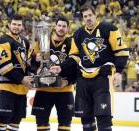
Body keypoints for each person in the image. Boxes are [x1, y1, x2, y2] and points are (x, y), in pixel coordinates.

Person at [50, 3, 129, 131]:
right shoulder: (78, 34)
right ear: (82, 18)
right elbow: (74, 56)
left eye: (90, 15)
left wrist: (119, 71)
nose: (88, 18)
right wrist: (61, 67)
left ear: (95, 14)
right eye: (85, 16)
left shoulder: (109, 29)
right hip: (83, 80)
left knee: (104, 118)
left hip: (102, 78)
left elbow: (121, 51)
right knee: (86, 119)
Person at [31, 16, 77, 131]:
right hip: (43, 90)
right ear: (55, 27)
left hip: (64, 90)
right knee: (41, 125)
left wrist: (67, 81)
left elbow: (76, 67)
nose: (61, 28)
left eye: (64, 26)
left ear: (68, 29)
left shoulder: (72, 43)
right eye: (59, 25)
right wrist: (35, 63)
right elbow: (30, 64)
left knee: (65, 126)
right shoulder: (42, 41)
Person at [0, 14, 33, 131]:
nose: (16, 27)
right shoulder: (2, 40)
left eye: (19, 25)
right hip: (6, 88)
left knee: (15, 122)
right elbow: (4, 66)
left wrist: (37, 60)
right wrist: (22, 79)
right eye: (14, 24)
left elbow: (29, 64)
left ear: (22, 27)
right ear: (9, 25)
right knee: (1, 121)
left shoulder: (25, 42)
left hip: (21, 90)